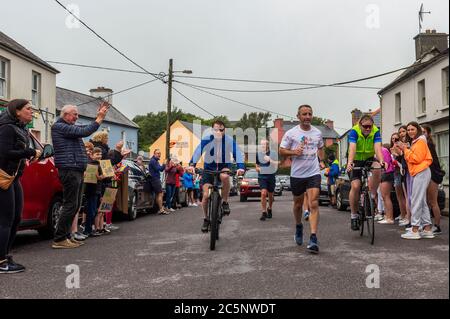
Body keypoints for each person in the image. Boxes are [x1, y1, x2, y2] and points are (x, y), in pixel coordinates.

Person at [51, 102, 109, 249]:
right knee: (70, 205)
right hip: (69, 170)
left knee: (75, 205)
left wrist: (98, 117)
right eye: (74, 114)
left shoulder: (69, 128)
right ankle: (59, 239)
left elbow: (83, 129)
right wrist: (99, 118)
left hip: (75, 169)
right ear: (65, 115)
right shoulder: (59, 126)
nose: (77, 117)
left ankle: (66, 236)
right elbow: (85, 131)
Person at [0, 99, 42, 273]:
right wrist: (30, 152)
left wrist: (28, 156)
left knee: (16, 218)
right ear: (17, 111)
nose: (31, 112)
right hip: (3, 178)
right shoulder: (7, 128)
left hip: (14, 178)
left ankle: (6, 255)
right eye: (28, 109)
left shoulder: (22, 129)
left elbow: (16, 153)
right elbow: (4, 152)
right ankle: (1, 261)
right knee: (5, 220)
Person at [280, 105, 326, 254]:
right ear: (298, 116)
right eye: (304, 114)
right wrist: (294, 152)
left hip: (313, 172)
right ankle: (299, 226)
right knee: (298, 205)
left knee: (313, 202)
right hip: (297, 174)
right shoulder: (291, 133)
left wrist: (321, 161)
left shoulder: (318, 133)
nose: (307, 116)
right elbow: (281, 151)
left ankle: (313, 237)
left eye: (310, 114)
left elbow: (321, 147)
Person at [190, 120, 245, 233]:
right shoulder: (207, 139)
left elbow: (237, 153)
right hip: (208, 169)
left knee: (225, 177)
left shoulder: (229, 140)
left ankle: (224, 202)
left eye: (221, 130)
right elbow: (198, 151)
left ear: (225, 130)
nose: (218, 132)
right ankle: (206, 219)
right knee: (205, 195)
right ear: (212, 130)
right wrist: (192, 165)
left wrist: (240, 167)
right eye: (216, 130)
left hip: (223, 167)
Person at [346, 114, 385, 231]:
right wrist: (350, 162)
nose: (368, 129)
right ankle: (354, 215)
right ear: (360, 125)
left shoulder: (375, 131)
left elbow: (378, 148)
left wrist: (382, 160)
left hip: (368, 159)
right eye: (365, 126)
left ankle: (372, 195)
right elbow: (352, 147)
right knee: (356, 186)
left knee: (378, 167)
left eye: (370, 126)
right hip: (355, 160)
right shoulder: (354, 131)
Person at [397, 122, 434, 239]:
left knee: (416, 200)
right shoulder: (419, 141)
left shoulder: (420, 141)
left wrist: (405, 149)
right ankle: (427, 229)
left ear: (417, 129)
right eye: (408, 130)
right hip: (421, 171)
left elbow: (416, 158)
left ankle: (415, 229)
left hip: (421, 171)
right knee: (421, 201)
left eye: (412, 129)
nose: (410, 131)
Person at [422, 126, 445, 235]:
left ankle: (437, 226)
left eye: (424, 132)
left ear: (428, 133)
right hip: (427, 173)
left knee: (432, 201)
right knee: (426, 201)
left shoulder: (428, 144)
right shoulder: (423, 143)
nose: (422, 134)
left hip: (433, 175)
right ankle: (427, 225)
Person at [82, 147, 105, 237]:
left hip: (97, 190)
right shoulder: (91, 164)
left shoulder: (100, 164)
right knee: (91, 210)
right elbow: (88, 177)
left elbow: (102, 176)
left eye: (100, 154)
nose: (99, 156)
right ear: (91, 155)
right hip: (91, 190)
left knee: (93, 211)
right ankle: (87, 231)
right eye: (97, 154)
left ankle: (89, 230)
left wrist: (103, 176)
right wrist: (100, 176)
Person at [256, 139, 279, 221]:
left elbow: (277, 163)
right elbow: (257, 166)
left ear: (267, 145)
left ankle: (270, 208)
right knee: (263, 193)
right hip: (262, 177)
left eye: (264, 144)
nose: (262, 146)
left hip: (271, 176)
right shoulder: (258, 154)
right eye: (261, 144)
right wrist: (259, 169)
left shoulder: (273, 153)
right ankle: (264, 212)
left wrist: (270, 160)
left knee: (270, 195)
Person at [389, 133, 408, 225]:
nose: (394, 140)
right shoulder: (391, 149)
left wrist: (396, 161)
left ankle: (406, 215)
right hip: (395, 173)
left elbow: (402, 159)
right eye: (393, 138)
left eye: (396, 138)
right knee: (399, 196)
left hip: (401, 172)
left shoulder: (401, 147)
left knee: (404, 196)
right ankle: (402, 214)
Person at [377, 144, 395, 224]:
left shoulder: (383, 150)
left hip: (386, 173)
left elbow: (386, 164)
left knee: (386, 196)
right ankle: (386, 216)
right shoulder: (379, 150)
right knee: (384, 197)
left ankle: (390, 218)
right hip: (383, 174)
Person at [148, 149, 166, 215]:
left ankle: (158, 208)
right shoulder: (153, 161)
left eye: (160, 153)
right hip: (155, 179)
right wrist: (164, 164)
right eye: (158, 153)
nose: (159, 155)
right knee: (160, 194)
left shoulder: (155, 161)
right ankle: (161, 209)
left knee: (158, 194)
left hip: (156, 179)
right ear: (154, 154)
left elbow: (160, 169)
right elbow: (159, 169)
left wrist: (163, 165)